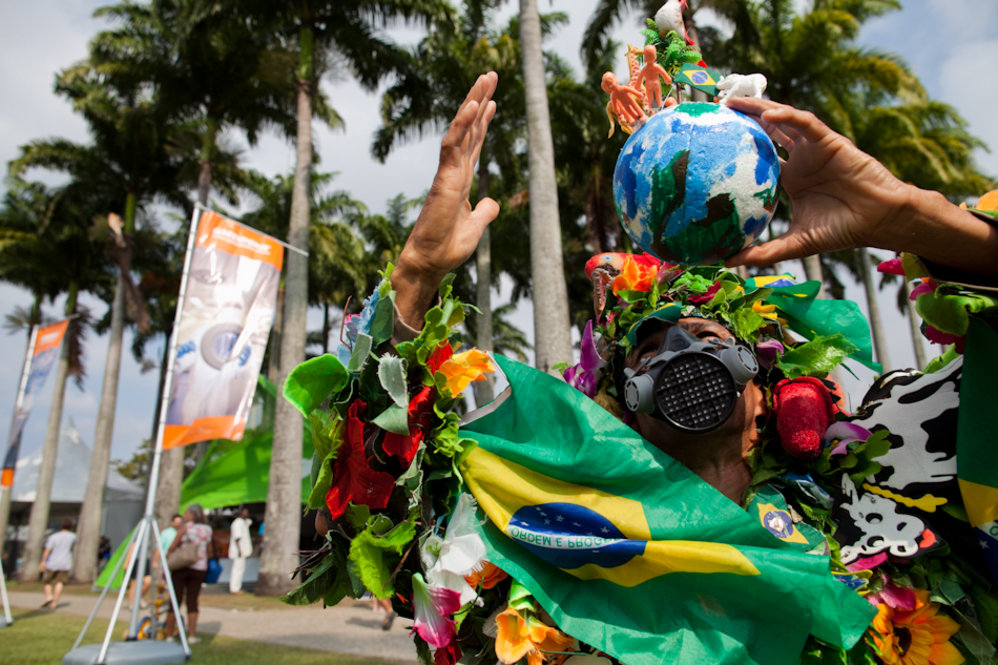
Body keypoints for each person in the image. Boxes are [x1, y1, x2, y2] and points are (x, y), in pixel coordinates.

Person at [380, 72, 998, 663]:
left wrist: (909, 217)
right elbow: (393, 502)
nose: (679, 351)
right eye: (647, 349)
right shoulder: (563, 541)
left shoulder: (891, 484)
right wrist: (415, 275)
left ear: (762, 384)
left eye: (705, 335)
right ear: (625, 409)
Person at [164, 504, 213, 643]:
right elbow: (209, 550)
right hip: (199, 568)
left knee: (175, 600)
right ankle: (191, 635)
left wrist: (167, 559)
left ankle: (169, 635)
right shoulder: (207, 529)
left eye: (186, 513)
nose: (184, 516)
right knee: (193, 601)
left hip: (181, 566)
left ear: (192, 515)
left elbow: (173, 546)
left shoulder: (185, 528)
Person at [39, 517, 75, 610]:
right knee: (60, 582)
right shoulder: (73, 536)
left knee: (47, 581)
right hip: (65, 562)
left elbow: (47, 550)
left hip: (53, 562)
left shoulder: (54, 537)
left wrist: (43, 561)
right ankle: (55, 602)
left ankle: (49, 596)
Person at [227, 507, 252, 594]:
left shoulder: (243, 522)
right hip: (239, 551)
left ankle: (237, 587)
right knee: (237, 569)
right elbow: (237, 537)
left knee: (240, 569)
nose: (246, 514)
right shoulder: (237, 523)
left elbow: (249, 521)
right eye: (244, 512)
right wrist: (240, 550)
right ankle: (234, 588)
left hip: (242, 551)